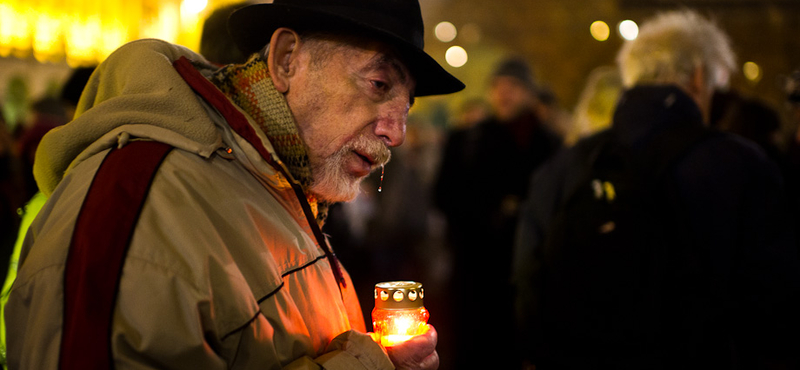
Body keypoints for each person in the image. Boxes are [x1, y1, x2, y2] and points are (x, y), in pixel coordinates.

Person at [5, 1, 464, 369]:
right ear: (287, 60)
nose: (396, 133)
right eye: (379, 83)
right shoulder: (137, 194)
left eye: (406, 105)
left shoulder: (281, 183)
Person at [513, 9, 800, 369]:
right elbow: (774, 302)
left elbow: (527, 282)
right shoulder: (740, 164)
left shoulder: (566, 166)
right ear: (698, 77)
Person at [433, 56, 560, 370]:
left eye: (513, 86)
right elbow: (442, 196)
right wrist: (491, 211)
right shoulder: (467, 139)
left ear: (530, 93)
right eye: (498, 86)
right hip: (474, 274)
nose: (504, 93)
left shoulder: (550, 144)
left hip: (526, 275)